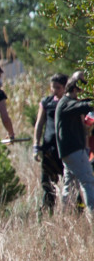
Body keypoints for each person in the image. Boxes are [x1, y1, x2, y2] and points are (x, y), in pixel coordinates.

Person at [55, 71, 94, 212]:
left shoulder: (65, 103)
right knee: (88, 182)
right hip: (74, 151)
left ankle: (65, 217)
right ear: (75, 89)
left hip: (69, 152)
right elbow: (82, 107)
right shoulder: (66, 104)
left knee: (69, 187)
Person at [33, 73, 69, 212]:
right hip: (48, 148)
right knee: (47, 183)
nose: (54, 90)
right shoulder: (46, 102)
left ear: (65, 87)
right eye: (52, 87)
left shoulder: (70, 102)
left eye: (58, 87)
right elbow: (39, 123)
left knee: (69, 182)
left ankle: (72, 211)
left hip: (65, 149)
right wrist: (36, 146)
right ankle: (47, 210)